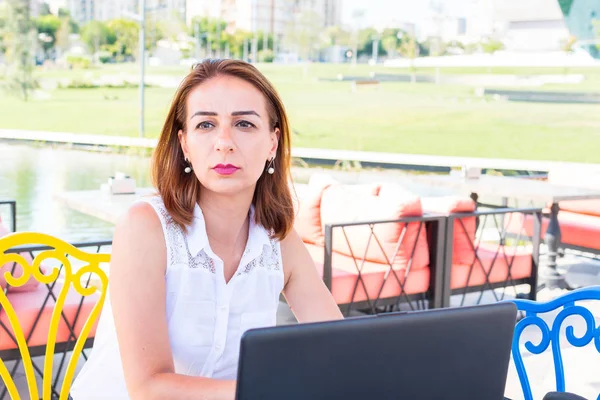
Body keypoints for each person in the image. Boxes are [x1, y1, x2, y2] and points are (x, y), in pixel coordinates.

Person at [70, 59, 343, 399]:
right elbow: (149, 389)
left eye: (244, 123)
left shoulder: (279, 241)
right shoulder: (145, 228)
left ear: (272, 144)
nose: (224, 142)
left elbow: (340, 349)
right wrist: (272, 389)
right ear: (184, 144)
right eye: (205, 125)